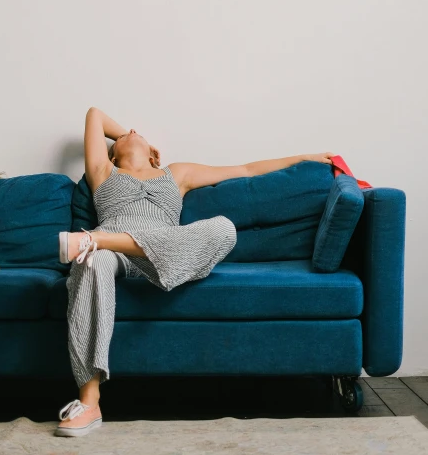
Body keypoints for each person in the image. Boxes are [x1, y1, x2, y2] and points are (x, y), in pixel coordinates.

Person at [55, 107, 335, 437]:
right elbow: (94, 115)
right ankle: (89, 402)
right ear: (112, 151)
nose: (131, 131)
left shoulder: (178, 173)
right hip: (111, 255)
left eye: (138, 133)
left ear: (153, 152)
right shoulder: (102, 171)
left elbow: (246, 169)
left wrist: (307, 157)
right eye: (123, 135)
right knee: (91, 259)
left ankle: (97, 239)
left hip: (165, 252)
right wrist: (123, 135)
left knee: (223, 229)